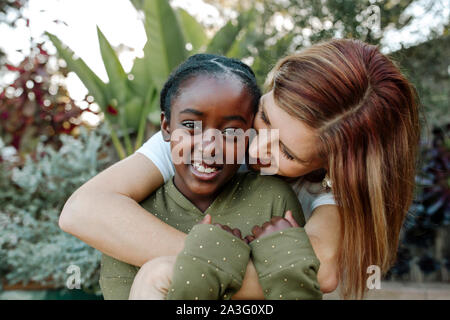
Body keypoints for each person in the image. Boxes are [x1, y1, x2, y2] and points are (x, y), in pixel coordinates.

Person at [60, 39, 420, 299]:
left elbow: (321, 271)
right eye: (265, 117)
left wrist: (195, 269)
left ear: (328, 166)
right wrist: (208, 261)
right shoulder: (204, 136)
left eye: (287, 152)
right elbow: (84, 211)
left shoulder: (330, 187)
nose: (258, 146)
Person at [99, 53, 323, 300]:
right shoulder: (133, 216)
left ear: (250, 133)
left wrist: (287, 261)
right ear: (166, 126)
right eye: (191, 126)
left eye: (231, 131)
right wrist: (210, 257)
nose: (209, 147)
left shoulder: (273, 200)